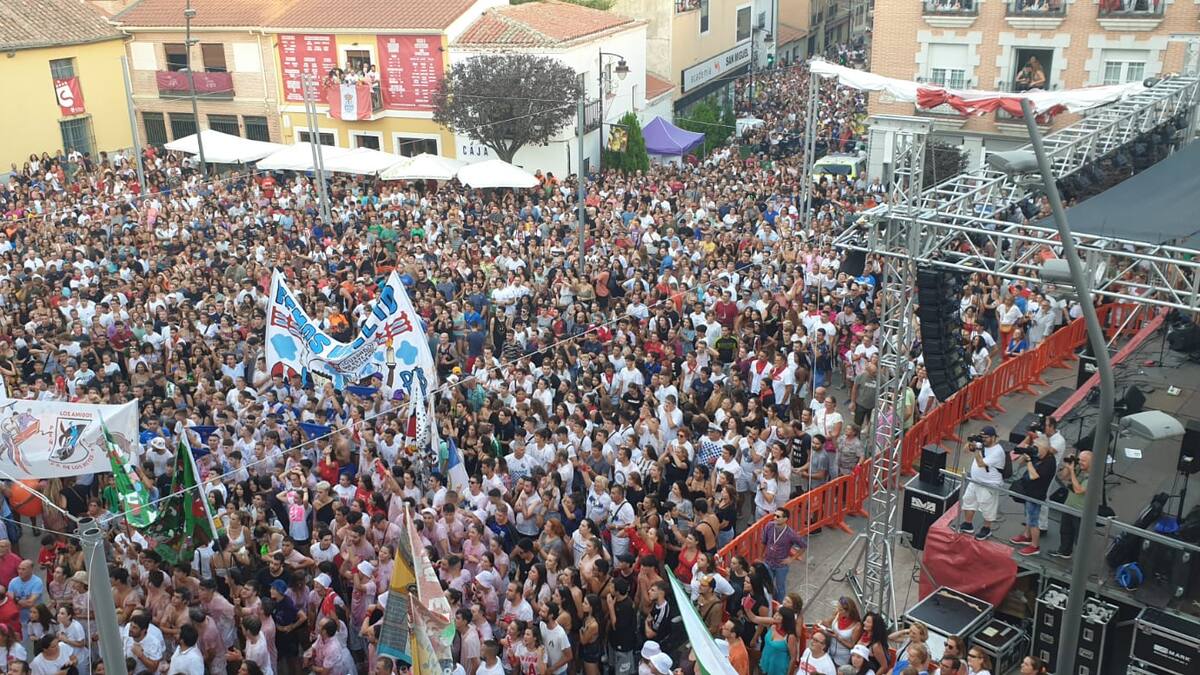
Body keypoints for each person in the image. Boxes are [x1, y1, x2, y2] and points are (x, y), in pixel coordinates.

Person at [958, 427, 1006, 540]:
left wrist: (977, 450)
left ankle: (986, 529)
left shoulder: (998, 451)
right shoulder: (981, 445)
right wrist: (971, 442)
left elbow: (980, 463)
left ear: (993, 437)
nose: (983, 440)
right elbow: (965, 450)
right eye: (982, 437)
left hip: (989, 484)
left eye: (986, 437)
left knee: (987, 507)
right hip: (975, 481)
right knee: (968, 500)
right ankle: (968, 524)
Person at [1011, 437, 1056, 555]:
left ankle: (1035, 546)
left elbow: (1034, 476)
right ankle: (1026, 536)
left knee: (1033, 521)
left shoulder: (1049, 462)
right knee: (1028, 516)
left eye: (1037, 447)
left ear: (1045, 448)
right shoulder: (1038, 456)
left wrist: (1030, 461)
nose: (1036, 450)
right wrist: (1025, 454)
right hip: (1028, 492)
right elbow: (1019, 463)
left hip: (1037, 495)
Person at [761, 508, 807, 602]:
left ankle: (780, 605)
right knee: (767, 584)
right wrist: (761, 555)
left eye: (778, 516)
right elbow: (764, 541)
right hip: (768, 562)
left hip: (781, 565)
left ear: (785, 519)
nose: (775, 518)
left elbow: (803, 546)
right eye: (774, 515)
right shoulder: (769, 526)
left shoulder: (791, 534)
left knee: (780, 587)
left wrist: (792, 559)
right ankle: (769, 601)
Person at [1052, 450, 1091, 559]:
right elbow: (1064, 477)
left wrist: (1072, 472)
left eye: (1084, 461)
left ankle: (1081, 560)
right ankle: (1064, 551)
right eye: (1080, 459)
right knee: (1065, 531)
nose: (1080, 462)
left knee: (1080, 537)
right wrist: (1068, 466)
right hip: (1068, 506)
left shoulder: (1093, 477)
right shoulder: (1079, 469)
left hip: (1080, 511)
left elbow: (1079, 490)